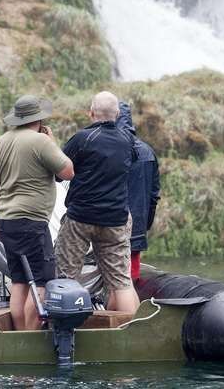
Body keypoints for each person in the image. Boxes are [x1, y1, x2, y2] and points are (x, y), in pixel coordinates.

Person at [0, 95, 74, 330]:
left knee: (20, 282)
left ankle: (18, 337)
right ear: (39, 118)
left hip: (6, 221)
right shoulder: (41, 142)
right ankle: (30, 337)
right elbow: (68, 172)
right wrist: (52, 143)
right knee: (41, 283)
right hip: (32, 222)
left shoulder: (0, 142)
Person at [54, 91, 140, 313]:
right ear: (118, 114)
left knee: (66, 276)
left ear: (91, 113)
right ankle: (131, 329)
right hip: (116, 219)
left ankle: (64, 333)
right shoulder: (128, 140)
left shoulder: (82, 139)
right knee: (121, 281)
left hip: (81, 218)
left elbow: (59, 172)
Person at [115, 102, 160, 283]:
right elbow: (154, 194)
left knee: (113, 277)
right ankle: (132, 307)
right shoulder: (148, 152)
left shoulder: (108, 149)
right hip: (137, 226)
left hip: (111, 224)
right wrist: (144, 224)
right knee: (130, 278)